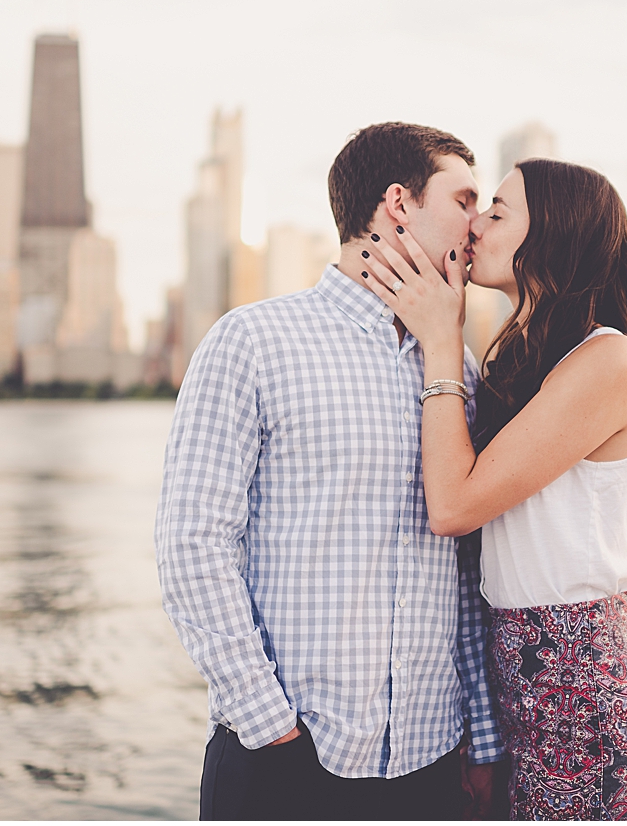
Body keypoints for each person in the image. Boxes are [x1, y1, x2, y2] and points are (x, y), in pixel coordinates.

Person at [155, 122, 504, 820]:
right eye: (464, 199)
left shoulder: (455, 368)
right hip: (287, 759)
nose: (479, 222)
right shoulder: (253, 341)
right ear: (398, 203)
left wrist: (484, 739)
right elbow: (192, 544)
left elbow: (468, 570)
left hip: (433, 768)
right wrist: (271, 728)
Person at [358, 157, 627, 821]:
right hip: (520, 685)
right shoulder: (526, 363)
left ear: (552, 237)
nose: (474, 223)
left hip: (582, 691)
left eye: (497, 212)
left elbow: (453, 505)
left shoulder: (609, 361)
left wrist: (441, 340)